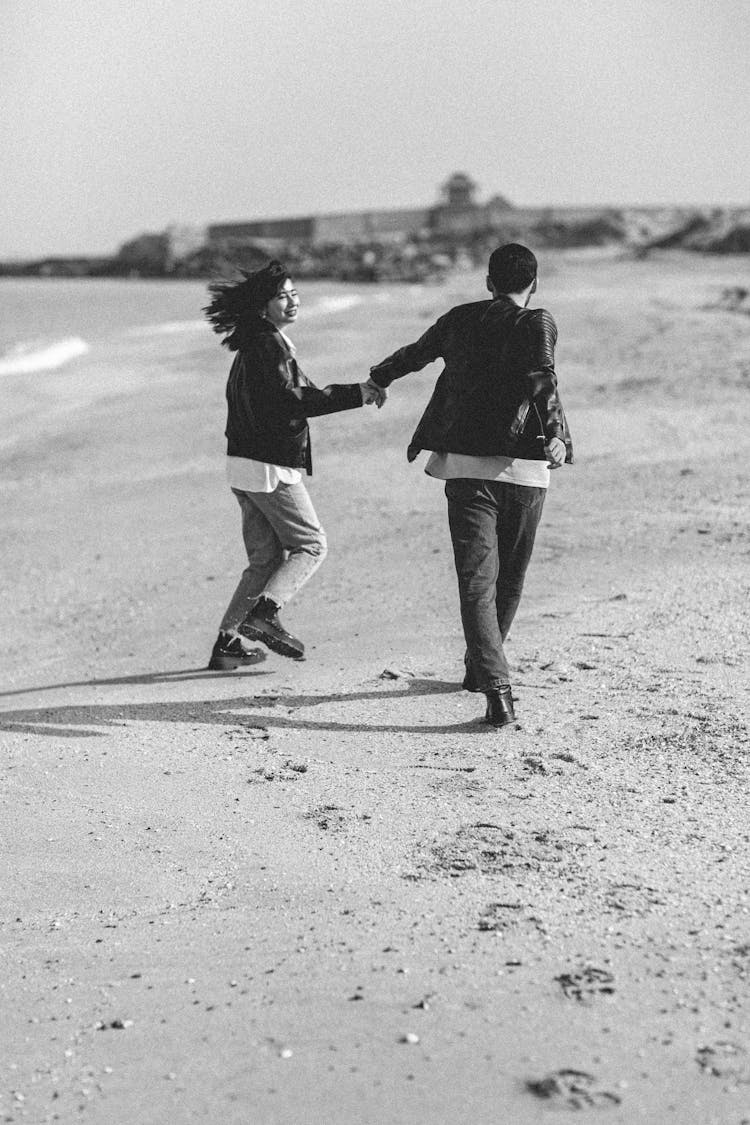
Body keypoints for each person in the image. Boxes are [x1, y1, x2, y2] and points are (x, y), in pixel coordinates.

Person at [365, 243, 573, 728]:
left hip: (462, 467)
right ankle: (490, 675)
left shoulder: (459, 318)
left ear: (488, 282)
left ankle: (489, 679)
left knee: (476, 583)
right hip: (523, 469)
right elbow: (543, 379)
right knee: (509, 581)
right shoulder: (537, 321)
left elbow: (414, 356)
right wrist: (557, 435)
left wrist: (379, 377)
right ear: (535, 283)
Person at [204, 259, 385, 669]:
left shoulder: (257, 343)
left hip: (242, 464)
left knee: (265, 560)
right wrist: (358, 393)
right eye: (281, 296)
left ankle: (227, 645)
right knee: (310, 544)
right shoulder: (268, 345)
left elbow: (289, 396)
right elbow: (296, 401)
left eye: (293, 293)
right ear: (262, 306)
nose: (292, 301)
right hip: (268, 467)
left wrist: (351, 392)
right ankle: (264, 615)